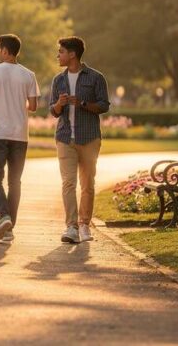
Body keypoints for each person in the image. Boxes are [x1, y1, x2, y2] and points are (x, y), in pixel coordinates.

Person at [0, 34, 38, 244]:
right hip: (20, 134)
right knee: (15, 181)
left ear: (4, 51)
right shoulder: (28, 75)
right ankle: (10, 228)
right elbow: (33, 106)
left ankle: (3, 215)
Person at [49, 37, 109, 244]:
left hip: (89, 138)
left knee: (87, 184)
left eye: (61, 52)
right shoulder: (58, 80)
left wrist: (82, 103)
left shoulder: (95, 77)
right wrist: (59, 103)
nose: (58, 55)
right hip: (65, 137)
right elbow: (53, 111)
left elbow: (103, 105)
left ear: (72, 54)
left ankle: (84, 224)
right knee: (68, 183)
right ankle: (71, 227)